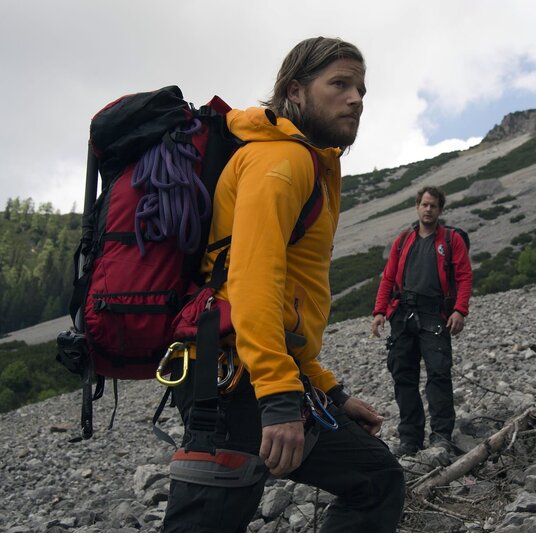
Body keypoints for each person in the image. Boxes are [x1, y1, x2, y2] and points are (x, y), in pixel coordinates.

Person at [163, 37, 405, 533]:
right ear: (295, 90)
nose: (357, 98)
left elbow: (284, 304)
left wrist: (328, 393)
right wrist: (277, 399)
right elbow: (252, 283)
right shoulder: (283, 163)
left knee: (375, 476)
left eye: (361, 87)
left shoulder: (306, 162)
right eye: (339, 84)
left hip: (245, 372)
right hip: (234, 383)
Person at [371, 186, 472, 456]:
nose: (428, 210)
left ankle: (441, 436)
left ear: (440, 210)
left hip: (435, 314)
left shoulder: (451, 240)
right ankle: (410, 439)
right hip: (402, 315)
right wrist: (380, 311)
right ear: (417, 206)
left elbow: (464, 277)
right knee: (403, 375)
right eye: (424, 205)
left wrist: (460, 310)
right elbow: (388, 278)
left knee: (438, 373)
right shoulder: (403, 240)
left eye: (433, 206)